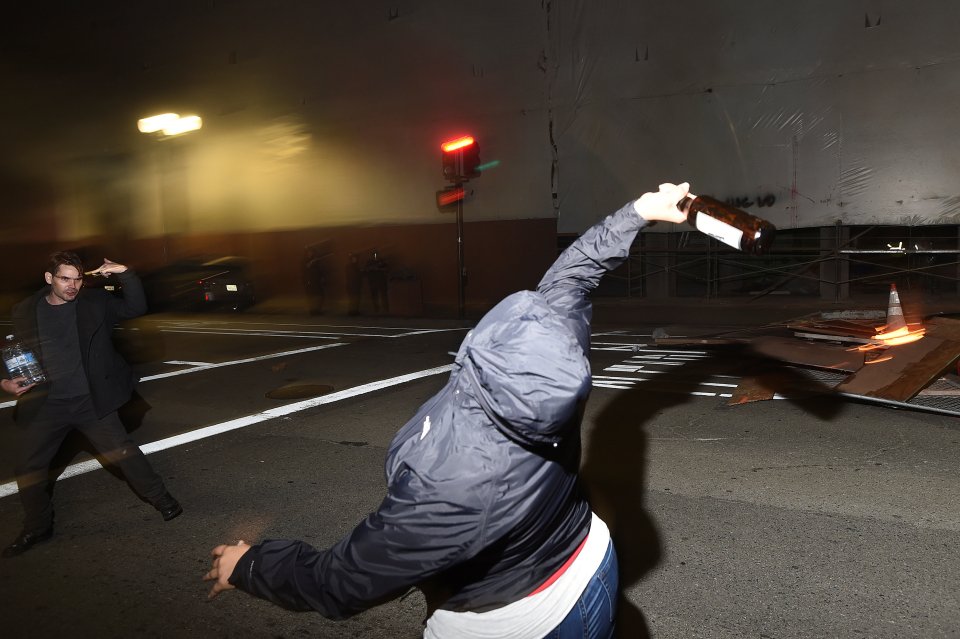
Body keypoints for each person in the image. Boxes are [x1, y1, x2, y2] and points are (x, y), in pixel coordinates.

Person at [203, 183, 692, 637]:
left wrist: (251, 566)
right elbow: (573, 275)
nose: (531, 305)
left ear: (484, 356)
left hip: (521, 619)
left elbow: (345, 581)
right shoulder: (557, 359)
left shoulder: (457, 484)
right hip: (590, 560)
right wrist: (640, 213)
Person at [1, 251, 182, 558]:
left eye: (78, 279)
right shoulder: (26, 310)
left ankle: (162, 498)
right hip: (48, 405)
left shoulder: (94, 304)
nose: (73, 286)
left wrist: (126, 272)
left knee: (123, 452)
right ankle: (37, 526)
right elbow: (10, 348)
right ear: (49, 279)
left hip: (90, 401)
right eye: (65, 278)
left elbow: (136, 306)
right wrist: (4, 380)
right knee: (29, 467)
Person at [363, 249, 388, 315]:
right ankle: (376, 308)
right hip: (373, 282)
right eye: (374, 254)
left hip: (381, 281)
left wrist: (378, 269)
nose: (375, 255)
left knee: (383, 295)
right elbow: (366, 270)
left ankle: (385, 308)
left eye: (376, 254)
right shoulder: (369, 262)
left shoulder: (381, 261)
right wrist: (372, 268)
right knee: (375, 296)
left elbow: (386, 269)